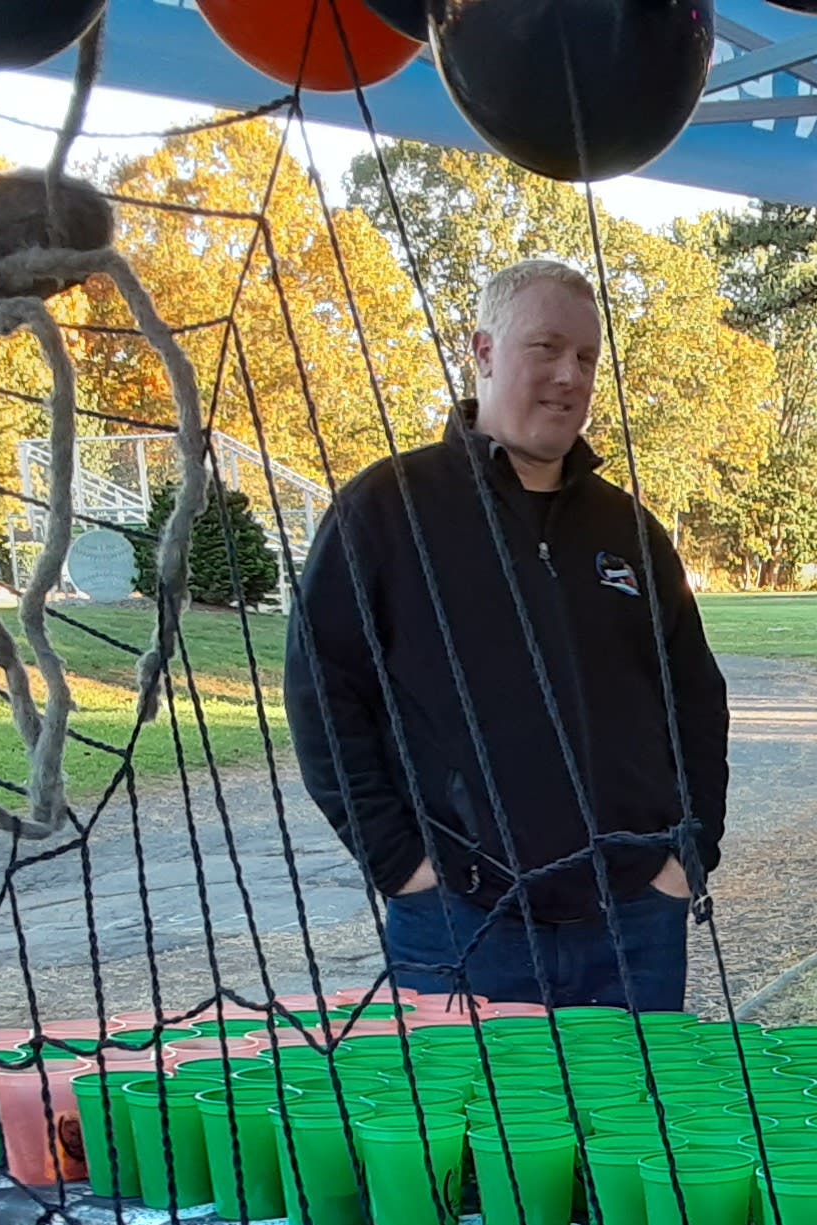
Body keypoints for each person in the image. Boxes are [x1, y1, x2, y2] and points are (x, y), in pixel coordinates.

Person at [286, 258, 727, 1012]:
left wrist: (685, 858)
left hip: (635, 924)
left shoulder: (629, 530)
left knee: (638, 1098)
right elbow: (324, 696)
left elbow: (696, 702)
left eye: (586, 357)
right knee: (459, 1099)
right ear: (484, 352)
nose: (569, 376)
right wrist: (402, 865)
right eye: (546, 347)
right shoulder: (387, 510)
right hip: (460, 923)